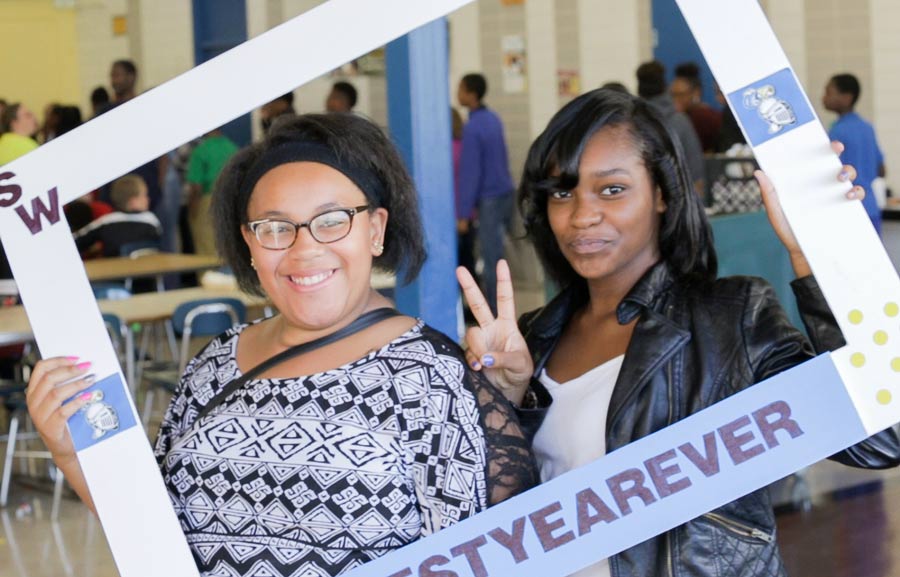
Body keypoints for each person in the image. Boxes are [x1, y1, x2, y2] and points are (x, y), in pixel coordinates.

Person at [26, 112, 536, 576]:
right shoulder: (214, 365)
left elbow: (493, 559)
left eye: (333, 220)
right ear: (248, 244)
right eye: (274, 228)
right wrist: (72, 457)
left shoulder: (432, 379)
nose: (305, 248)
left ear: (376, 230)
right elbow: (153, 533)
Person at [457, 88, 900, 577]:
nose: (582, 216)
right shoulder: (531, 341)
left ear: (663, 193)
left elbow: (883, 439)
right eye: (563, 191)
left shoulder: (730, 319)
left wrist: (823, 265)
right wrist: (506, 400)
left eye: (612, 189)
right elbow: (497, 525)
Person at [457, 72, 515, 314]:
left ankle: (494, 310)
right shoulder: (493, 118)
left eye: (460, 89)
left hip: (489, 197)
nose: (457, 93)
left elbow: (471, 172)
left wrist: (463, 214)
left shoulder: (472, 127)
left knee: (491, 259)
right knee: (499, 254)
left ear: (471, 94)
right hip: (506, 192)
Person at [823, 73, 886, 234]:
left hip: (847, 207)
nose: (823, 97)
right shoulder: (867, 127)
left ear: (846, 98)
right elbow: (882, 170)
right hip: (871, 207)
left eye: (829, 92)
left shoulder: (838, 131)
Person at [636, 61, 705, 194]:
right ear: (664, 86)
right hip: (680, 197)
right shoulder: (680, 120)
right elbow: (695, 168)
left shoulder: (633, 123)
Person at [73, 173, 161, 258]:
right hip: (148, 270)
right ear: (133, 202)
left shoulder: (106, 221)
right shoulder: (152, 220)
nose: (148, 199)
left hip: (113, 270)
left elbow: (76, 240)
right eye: (144, 195)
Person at [186, 128, 239, 256]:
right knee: (228, 245)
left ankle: (208, 276)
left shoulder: (200, 151)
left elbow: (196, 187)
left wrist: (192, 211)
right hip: (230, 199)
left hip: (207, 201)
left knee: (206, 248)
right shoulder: (232, 148)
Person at [670, 62, 721, 153]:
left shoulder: (707, 118)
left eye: (681, 95)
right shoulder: (675, 118)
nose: (676, 100)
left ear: (696, 93)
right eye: (673, 95)